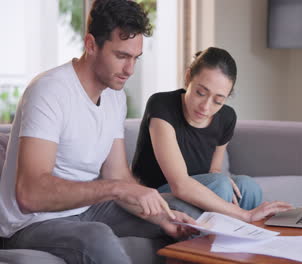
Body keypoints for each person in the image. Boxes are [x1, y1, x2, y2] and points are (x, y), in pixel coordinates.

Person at [0, 0, 197, 263]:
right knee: (97, 236)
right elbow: (30, 194)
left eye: (135, 58)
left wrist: (162, 218)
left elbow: (117, 174)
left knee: (183, 214)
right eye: (121, 56)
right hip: (30, 223)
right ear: (91, 44)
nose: (130, 70)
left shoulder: (115, 97)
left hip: (87, 209)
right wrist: (115, 189)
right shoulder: (49, 91)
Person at [132, 47, 293, 222]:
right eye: (201, 93)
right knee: (220, 185)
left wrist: (220, 177)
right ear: (188, 78)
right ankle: (215, 243)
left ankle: (251, 240)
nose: (206, 107)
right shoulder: (162, 105)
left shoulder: (227, 117)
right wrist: (245, 214)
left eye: (218, 101)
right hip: (155, 196)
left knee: (247, 186)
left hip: (196, 188)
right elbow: (180, 185)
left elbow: (214, 170)